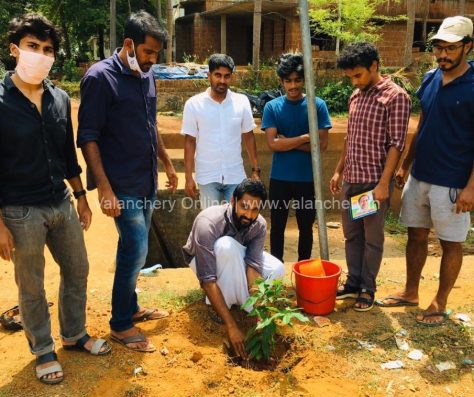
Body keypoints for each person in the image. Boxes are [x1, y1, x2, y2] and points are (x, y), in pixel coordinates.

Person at [0, 13, 111, 385]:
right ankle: (42, 348)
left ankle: (74, 334)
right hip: (20, 209)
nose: (40, 54)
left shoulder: (60, 98)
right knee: (31, 282)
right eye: (33, 47)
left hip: (60, 201)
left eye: (48, 49)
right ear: (15, 49)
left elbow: (67, 154)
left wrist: (81, 197)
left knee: (77, 268)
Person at [77, 10, 178, 352]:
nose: (153, 60)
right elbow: (88, 136)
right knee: (136, 247)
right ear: (129, 44)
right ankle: (120, 324)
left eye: (157, 54)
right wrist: (104, 188)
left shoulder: (147, 76)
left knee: (133, 248)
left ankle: (130, 307)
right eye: (148, 52)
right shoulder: (100, 78)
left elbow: (151, 126)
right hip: (120, 183)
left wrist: (167, 163)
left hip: (146, 178)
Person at [377, 16, 474, 325]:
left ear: (468, 47)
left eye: (451, 48)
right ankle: (410, 291)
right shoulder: (431, 78)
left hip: (453, 181)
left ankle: (440, 301)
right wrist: (406, 164)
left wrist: (471, 188)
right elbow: (422, 125)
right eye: (438, 48)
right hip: (420, 175)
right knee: (415, 235)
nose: (443, 54)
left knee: (450, 242)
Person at [330, 42, 411, 312]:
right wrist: (339, 170)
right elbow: (349, 137)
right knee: (352, 236)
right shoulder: (356, 96)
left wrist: (383, 183)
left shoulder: (395, 97)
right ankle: (353, 282)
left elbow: (396, 144)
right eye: (351, 77)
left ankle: (368, 288)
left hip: (373, 184)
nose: (354, 81)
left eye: (358, 75)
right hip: (353, 179)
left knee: (372, 238)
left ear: (374, 65)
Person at [182, 179, 285, 358]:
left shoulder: (258, 224)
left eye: (255, 209)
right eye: (244, 206)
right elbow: (207, 280)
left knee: (277, 269)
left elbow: (253, 266)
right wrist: (231, 326)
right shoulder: (209, 223)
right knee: (226, 246)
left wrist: (259, 308)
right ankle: (224, 310)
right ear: (232, 201)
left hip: (234, 254)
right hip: (203, 260)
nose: (249, 214)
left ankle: (247, 307)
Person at [261, 52, 332, 262]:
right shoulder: (272, 107)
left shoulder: (317, 105)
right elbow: (272, 144)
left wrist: (287, 142)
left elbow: (322, 145)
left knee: (306, 228)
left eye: (297, 80)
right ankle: (276, 270)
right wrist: (305, 137)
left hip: (307, 180)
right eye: (288, 81)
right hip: (279, 179)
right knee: (277, 227)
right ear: (282, 82)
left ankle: (303, 268)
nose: (293, 86)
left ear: (304, 80)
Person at [181, 54, 260, 209]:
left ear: (231, 77)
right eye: (218, 75)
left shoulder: (241, 102)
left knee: (238, 222)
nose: (222, 81)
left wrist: (255, 170)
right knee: (211, 224)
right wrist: (188, 177)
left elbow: (249, 137)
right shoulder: (193, 105)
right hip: (207, 177)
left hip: (235, 175)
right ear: (209, 75)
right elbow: (190, 142)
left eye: (227, 76)